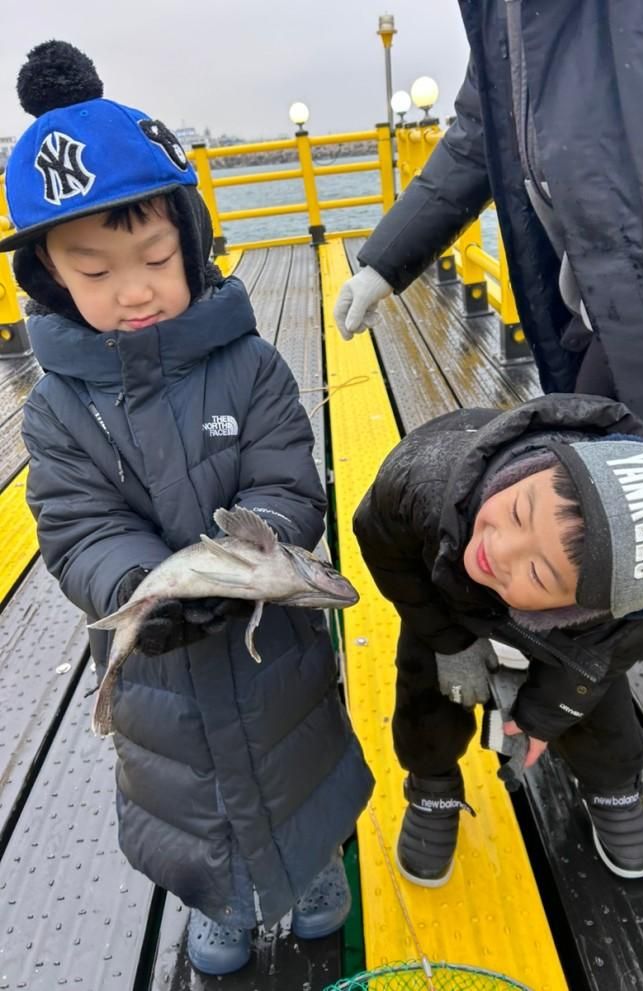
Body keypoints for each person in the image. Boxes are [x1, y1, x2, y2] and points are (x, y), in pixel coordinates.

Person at [2, 41, 373, 976]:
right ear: (49, 280)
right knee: (188, 796)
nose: (131, 289)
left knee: (301, 767)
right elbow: (75, 524)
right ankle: (220, 902)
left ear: (191, 241)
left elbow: (289, 481)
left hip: (269, 641)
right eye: (93, 273)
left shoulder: (250, 364)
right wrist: (140, 588)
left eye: (156, 256)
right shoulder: (53, 408)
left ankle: (318, 875)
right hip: (158, 672)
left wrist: (260, 549)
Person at [334, 1, 643, 755]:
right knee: (612, 514)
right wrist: (385, 261)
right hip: (608, 315)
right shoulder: (500, 16)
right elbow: (472, 138)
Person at [353, 393, 643, 884]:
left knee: (597, 703)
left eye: (537, 573)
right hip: (443, 594)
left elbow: (590, 667)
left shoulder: (628, 626)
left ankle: (613, 787)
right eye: (519, 512)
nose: (497, 548)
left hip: (569, 646)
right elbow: (384, 546)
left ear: (585, 610)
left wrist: (542, 717)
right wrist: (446, 640)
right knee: (426, 692)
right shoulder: (423, 480)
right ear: (531, 471)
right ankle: (433, 784)